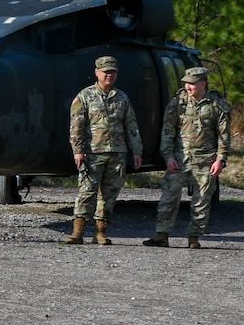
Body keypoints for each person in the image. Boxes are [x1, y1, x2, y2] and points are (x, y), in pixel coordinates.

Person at [144, 65, 230, 249]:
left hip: (206, 160)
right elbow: (168, 131)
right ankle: (161, 235)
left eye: (192, 83)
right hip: (179, 158)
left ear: (203, 84)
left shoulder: (216, 105)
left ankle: (194, 238)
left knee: (201, 201)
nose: (188, 87)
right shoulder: (178, 103)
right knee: (168, 197)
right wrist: (168, 157)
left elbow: (224, 135)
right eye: (187, 83)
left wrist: (220, 159)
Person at [68, 55, 141, 244]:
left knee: (109, 196)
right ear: (97, 72)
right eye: (106, 71)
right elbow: (76, 126)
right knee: (87, 192)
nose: (110, 75)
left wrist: (137, 150)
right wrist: (78, 150)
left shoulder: (122, 98)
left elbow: (131, 126)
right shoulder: (85, 96)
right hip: (92, 153)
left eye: (113, 72)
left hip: (117, 153)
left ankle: (100, 232)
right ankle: (78, 232)